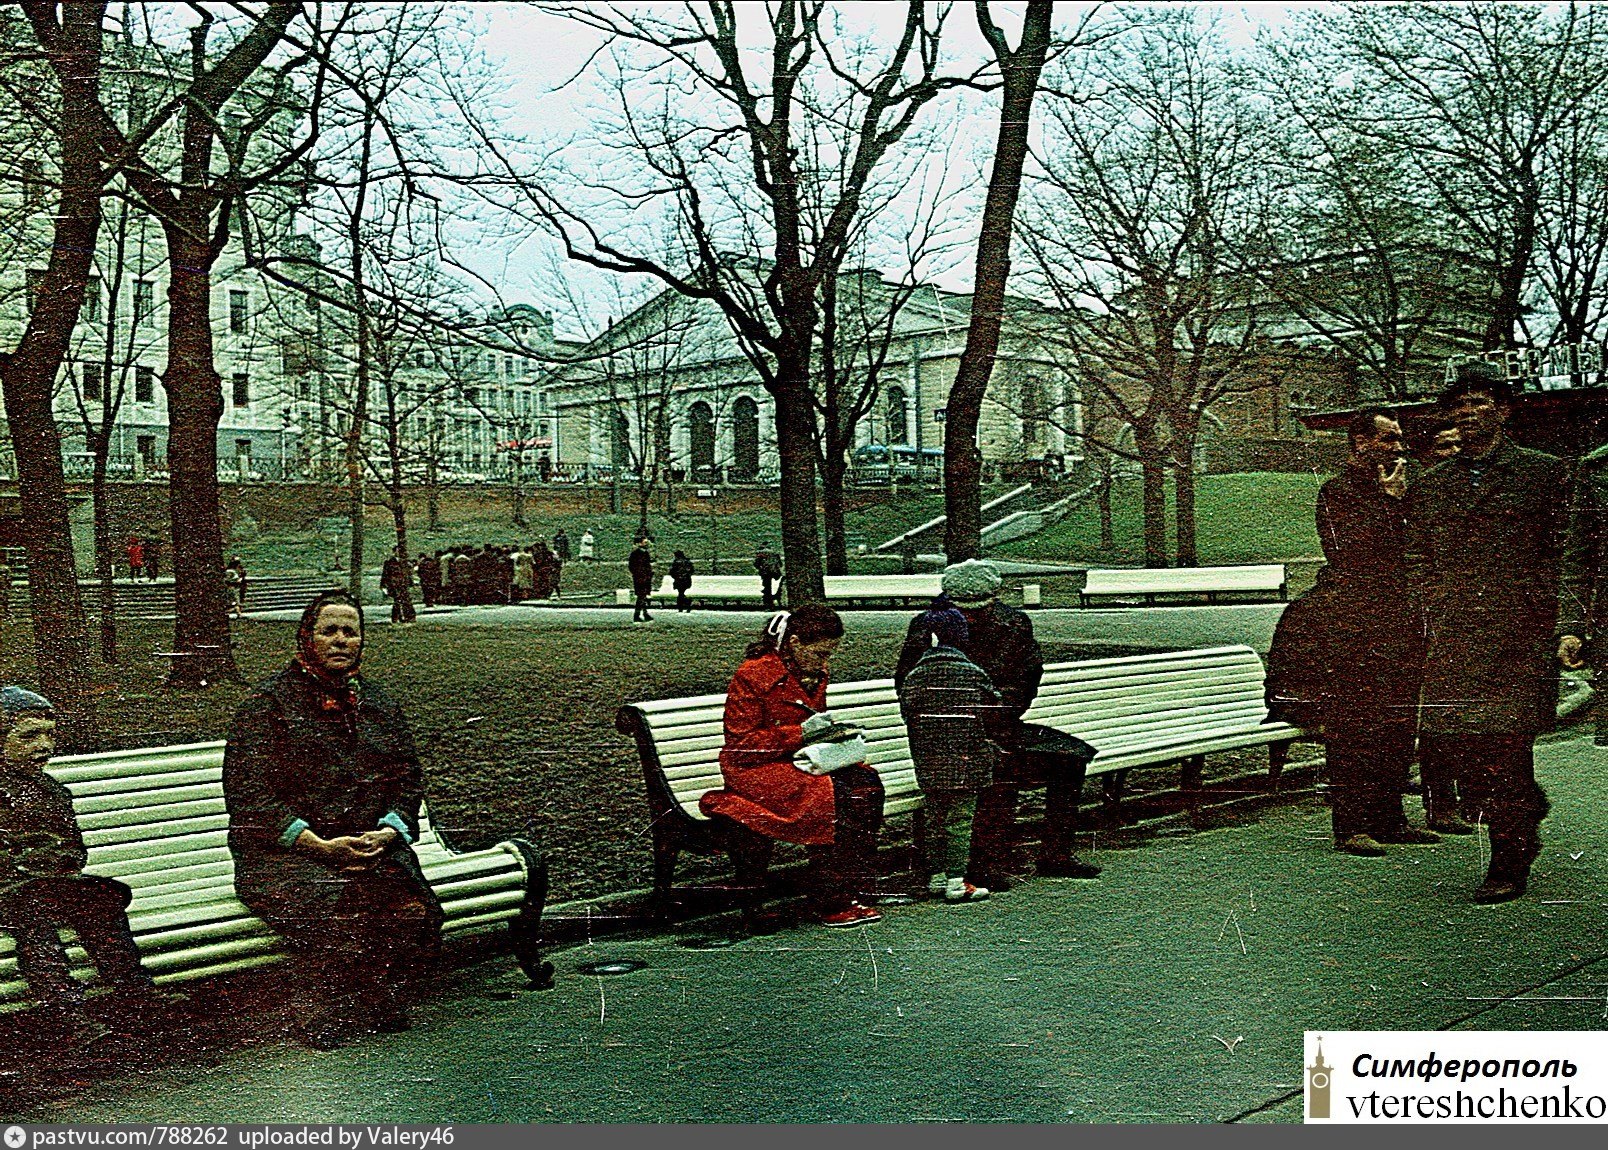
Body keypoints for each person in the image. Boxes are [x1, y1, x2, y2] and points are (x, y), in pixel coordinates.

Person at [222, 592, 444, 1049]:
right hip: (285, 856)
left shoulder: (377, 703)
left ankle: (376, 997)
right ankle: (327, 1009)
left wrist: (387, 832)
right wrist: (321, 847)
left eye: (351, 631)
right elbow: (250, 798)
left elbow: (407, 779)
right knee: (335, 911)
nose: (341, 641)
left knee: (414, 907)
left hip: (368, 845)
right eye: (330, 631)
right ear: (307, 637)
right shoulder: (267, 706)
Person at [1405, 362, 1570, 905]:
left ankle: (1508, 857)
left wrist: (1560, 622)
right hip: (1454, 633)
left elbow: (1564, 554)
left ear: (1502, 410)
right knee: (1458, 745)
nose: (1469, 414)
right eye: (1460, 406)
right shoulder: (1432, 485)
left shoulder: (1542, 474)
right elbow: (1417, 554)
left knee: (1506, 744)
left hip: (1517, 633)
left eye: (1481, 403)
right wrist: (1433, 597)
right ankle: (1522, 806)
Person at [0, 686, 185, 1053]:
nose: (44, 745)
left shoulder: (51, 790)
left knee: (102, 905)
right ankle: (67, 1014)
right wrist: (32, 871)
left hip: (48, 885)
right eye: (29, 736)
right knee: (35, 926)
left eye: (50, 734)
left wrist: (59, 870)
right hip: (8, 891)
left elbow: (73, 847)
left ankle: (137, 997)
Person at [895, 559, 1100, 889]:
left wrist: (997, 713)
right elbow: (910, 685)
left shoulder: (1014, 624)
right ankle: (985, 862)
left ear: (994, 597)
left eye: (978, 608)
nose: (971, 616)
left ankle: (1056, 853)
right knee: (994, 764)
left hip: (1001, 722)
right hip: (948, 735)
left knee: (1071, 758)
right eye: (963, 609)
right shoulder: (927, 626)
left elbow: (1026, 680)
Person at [699, 605, 886, 928]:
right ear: (796, 643)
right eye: (820, 653)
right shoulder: (753, 675)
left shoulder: (814, 672)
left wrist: (834, 740)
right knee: (833, 796)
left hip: (799, 761)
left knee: (866, 784)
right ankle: (830, 899)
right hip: (755, 770)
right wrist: (800, 733)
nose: (825, 662)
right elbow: (742, 746)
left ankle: (852, 886)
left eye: (830, 654)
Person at [1313, 409, 1442, 855]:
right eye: (1388, 440)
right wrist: (1389, 502)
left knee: (1397, 722)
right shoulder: (1337, 492)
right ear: (1361, 443)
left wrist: (1397, 501)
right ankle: (1351, 824)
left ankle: (1390, 818)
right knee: (1356, 724)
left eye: (1400, 439)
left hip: (1400, 621)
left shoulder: (1400, 492)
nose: (1399, 448)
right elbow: (1349, 554)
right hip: (1356, 626)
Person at [899, 607, 1000, 904]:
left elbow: (908, 712)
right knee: (959, 819)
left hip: (929, 760)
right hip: (967, 759)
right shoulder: (972, 672)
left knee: (934, 818)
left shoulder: (916, 674)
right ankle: (957, 880)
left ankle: (936, 876)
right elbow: (993, 708)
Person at [380, 547, 416, 625]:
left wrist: (411, 583)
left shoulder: (404, 562)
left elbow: (408, 574)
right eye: (397, 551)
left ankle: (407, 617)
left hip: (403, 584)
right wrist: (383, 586)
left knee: (405, 601)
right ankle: (396, 618)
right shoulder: (389, 562)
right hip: (394, 585)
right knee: (397, 601)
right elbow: (385, 575)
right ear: (394, 552)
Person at [629, 536, 655, 623]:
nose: (646, 544)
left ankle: (643, 614)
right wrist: (638, 574)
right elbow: (632, 566)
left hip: (645, 578)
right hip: (640, 578)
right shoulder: (636, 554)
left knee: (642, 597)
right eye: (645, 542)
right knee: (641, 596)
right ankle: (638, 615)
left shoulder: (645, 553)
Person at [754, 544, 784, 610]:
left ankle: (769, 605)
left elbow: (756, 564)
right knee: (774, 589)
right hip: (775, 573)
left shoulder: (760, 553)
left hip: (766, 574)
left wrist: (760, 568)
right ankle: (774, 603)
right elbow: (780, 564)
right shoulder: (775, 553)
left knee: (767, 590)